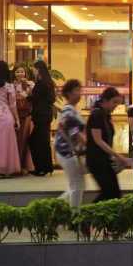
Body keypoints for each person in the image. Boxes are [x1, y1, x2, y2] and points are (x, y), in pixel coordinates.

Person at [86, 87, 131, 202]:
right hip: (96, 160)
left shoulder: (105, 115)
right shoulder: (97, 114)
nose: (116, 106)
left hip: (104, 159)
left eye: (118, 103)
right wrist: (118, 156)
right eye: (114, 102)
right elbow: (98, 140)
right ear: (105, 100)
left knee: (113, 193)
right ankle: (87, 212)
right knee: (109, 192)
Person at [54, 79, 86, 208]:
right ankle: (73, 214)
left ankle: (54, 207)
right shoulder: (68, 111)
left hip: (68, 152)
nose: (80, 93)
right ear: (68, 93)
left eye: (80, 90)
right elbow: (75, 133)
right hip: (66, 152)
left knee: (77, 184)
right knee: (77, 185)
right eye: (77, 90)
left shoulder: (71, 110)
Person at [28, 60, 56, 176]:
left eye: (34, 69)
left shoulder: (41, 83)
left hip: (41, 116)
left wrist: (27, 96)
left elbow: (36, 98)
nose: (33, 71)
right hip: (45, 115)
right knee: (42, 141)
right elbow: (51, 99)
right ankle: (46, 167)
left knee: (36, 141)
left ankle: (41, 168)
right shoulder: (48, 82)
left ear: (38, 70)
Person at [12, 65, 35, 174]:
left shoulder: (30, 84)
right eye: (17, 72)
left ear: (25, 73)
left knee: (24, 140)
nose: (20, 74)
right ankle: (16, 165)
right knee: (16, 141)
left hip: (26, 115)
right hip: (15, 115)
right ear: (14, 73)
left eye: (22, 71)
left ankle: (25, 165)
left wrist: (27, 88)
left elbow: (32, 97)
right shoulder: (11, 85)